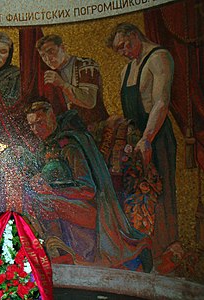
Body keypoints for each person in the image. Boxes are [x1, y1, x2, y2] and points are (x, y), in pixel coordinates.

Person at [26, 100, 152, 271]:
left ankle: (61, 255)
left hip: (95, 211)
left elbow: (88, 190)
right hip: (70, 207)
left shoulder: (70, 146)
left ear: (51, 117)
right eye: (31, 125)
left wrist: (52, 190)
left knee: (44, 202)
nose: (36, 130)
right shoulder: (46, 147)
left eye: (39, 122)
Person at [106, 22, 177, 257]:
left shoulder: (159, 57)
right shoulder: (127, 69)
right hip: (135, 141)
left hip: (155, 137)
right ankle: (142, 251)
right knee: (135, 194)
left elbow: (161, 102)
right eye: (119, 50)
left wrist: (147, 138)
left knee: (161, 194)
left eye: (125, 45)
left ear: (135, 35)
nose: (124, 52)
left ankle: (164, 251)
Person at [36, 34, 108, 125]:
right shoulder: (52, 74)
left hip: (96, 126)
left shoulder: (85, 65)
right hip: (72, 130)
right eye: (43, 55)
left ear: (62, 47)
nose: (48, 59)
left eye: (51, 51)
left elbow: (89, 101)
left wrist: (62, 84)